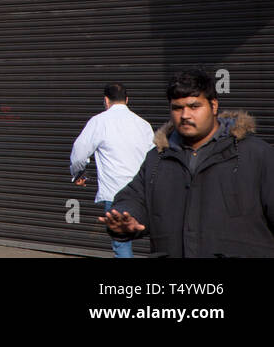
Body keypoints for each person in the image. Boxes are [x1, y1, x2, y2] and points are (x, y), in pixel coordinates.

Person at [104, 68, 274, 257]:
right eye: (177, 108)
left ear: (214, 106)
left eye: (194, 106)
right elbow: (134, 197)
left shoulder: (254, 154)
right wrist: (126, 216)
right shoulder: (158, 158)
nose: (185, 115)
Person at [70, 82, 154, 258]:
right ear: (127, 99)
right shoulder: (143, 125)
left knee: (121, 244)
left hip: (115, 194)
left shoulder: (99, 121)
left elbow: (79, 152)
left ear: (106, 100)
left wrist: (79, 172)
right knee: (155, 240)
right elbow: (154, 158)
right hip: (144, 193)